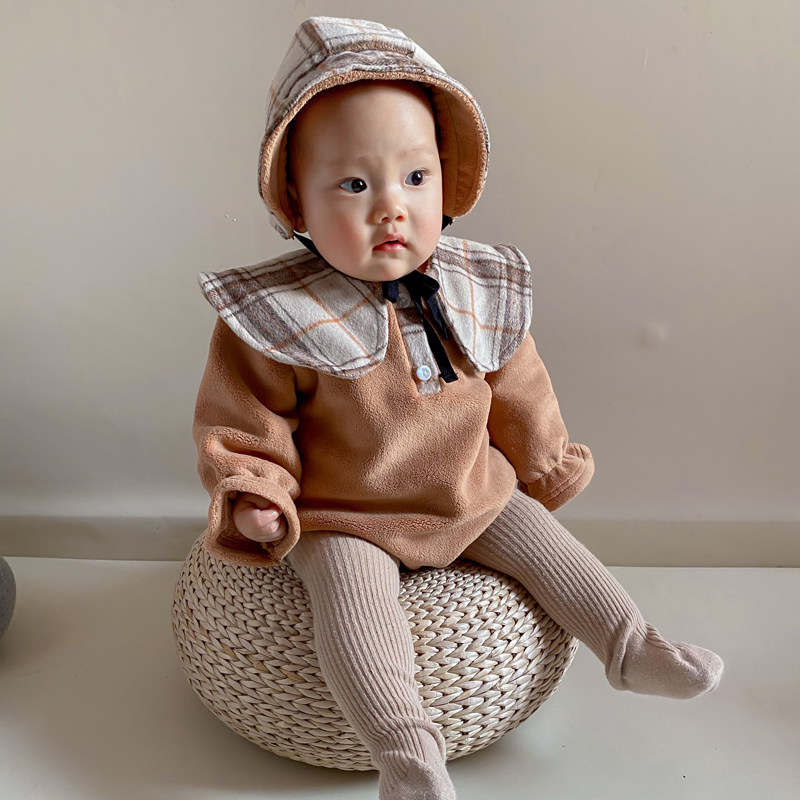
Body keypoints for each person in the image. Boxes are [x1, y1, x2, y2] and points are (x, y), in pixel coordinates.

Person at [193, 17, 723, 800]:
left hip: (470, 488)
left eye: (415, 177)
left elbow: (519, 384)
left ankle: (631, 647)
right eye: (354, 185)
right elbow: (244, 421)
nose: (391, 209)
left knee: (555, 553)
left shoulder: (471, 285)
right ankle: (406, 754)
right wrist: (256, 494)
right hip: (347, 514)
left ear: (449, 178)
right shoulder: (281, 316)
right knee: (354, 618)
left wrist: (543, 461)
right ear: (295, 200)